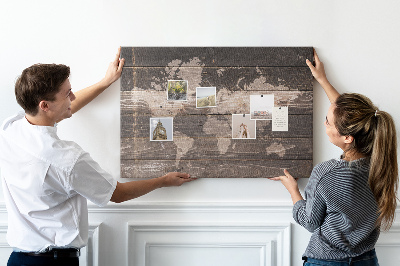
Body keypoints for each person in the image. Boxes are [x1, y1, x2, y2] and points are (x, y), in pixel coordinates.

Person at [0, 47, 195, 266]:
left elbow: (64, 110)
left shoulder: (11, 129)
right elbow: (118, 194)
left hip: (17, 259)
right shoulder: (67, 159)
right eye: (67, 94)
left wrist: (105, 82)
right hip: (52, 262)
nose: (72, 97)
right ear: (44, 105)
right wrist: (163, 181)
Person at [269, 50, 398, 266]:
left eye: (327, 122)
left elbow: (310, 221)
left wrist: (293, 191)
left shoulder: (326, 173)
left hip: (326, 261)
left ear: (348, 137)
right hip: (366, 260)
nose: (324, 124)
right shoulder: (380, 161)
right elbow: (351, 118)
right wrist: (322, 79)